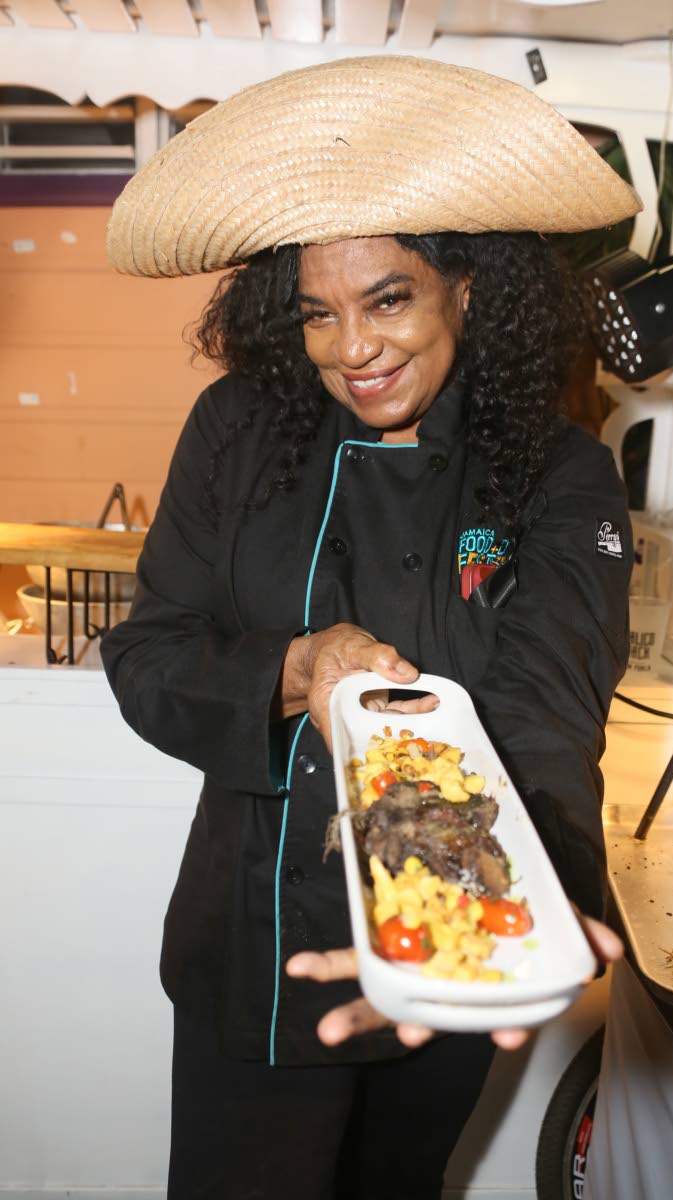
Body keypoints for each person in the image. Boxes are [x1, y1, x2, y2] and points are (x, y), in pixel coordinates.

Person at [102, 56, 640, 1200]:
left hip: (451, 942)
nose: (351, 347)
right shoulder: (236, 430)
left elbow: (549, 714)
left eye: (386, 298)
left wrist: (536, 910)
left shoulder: (557, 473)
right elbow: (147, 654)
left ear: (467, 288)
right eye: (316, 313)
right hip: (257, 940)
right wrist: (295, 669)